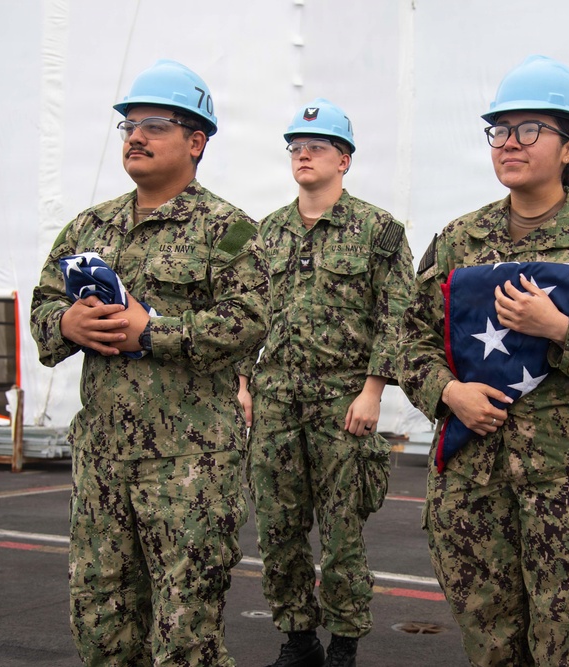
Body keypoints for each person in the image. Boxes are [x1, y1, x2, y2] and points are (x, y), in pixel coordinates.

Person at [397, 55, 569, 666]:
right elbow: (410, 342)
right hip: (473, 482)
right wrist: (450, 394)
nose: (509, 144)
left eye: (529, 130)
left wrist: (561, 331)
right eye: (499, 130)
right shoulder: (457, 241)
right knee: (491, 645)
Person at [29, 59, 269, 666]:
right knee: (102, 618)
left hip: (189, 464)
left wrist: (151, 333)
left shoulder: (229, 231)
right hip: (103, 461)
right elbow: (41, 306)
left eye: (155, 124)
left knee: (186, 631)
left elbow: (250, 325)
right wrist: (66, 323)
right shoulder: (89, 226)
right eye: (129, 125)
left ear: (196, 142)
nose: (136, 135)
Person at [239, 98, 415, 667]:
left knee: (343, 531)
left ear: (344, 159)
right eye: (295, 147)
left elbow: (397, 314)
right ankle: (297, 638)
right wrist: (244, 382)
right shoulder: (267, 231)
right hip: (275, 399)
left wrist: (373, 390)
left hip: (343, 398)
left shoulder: (379, 231)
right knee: (278, 527)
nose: (303, 155)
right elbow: (249, 312)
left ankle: (344, 643)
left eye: (315, 147)